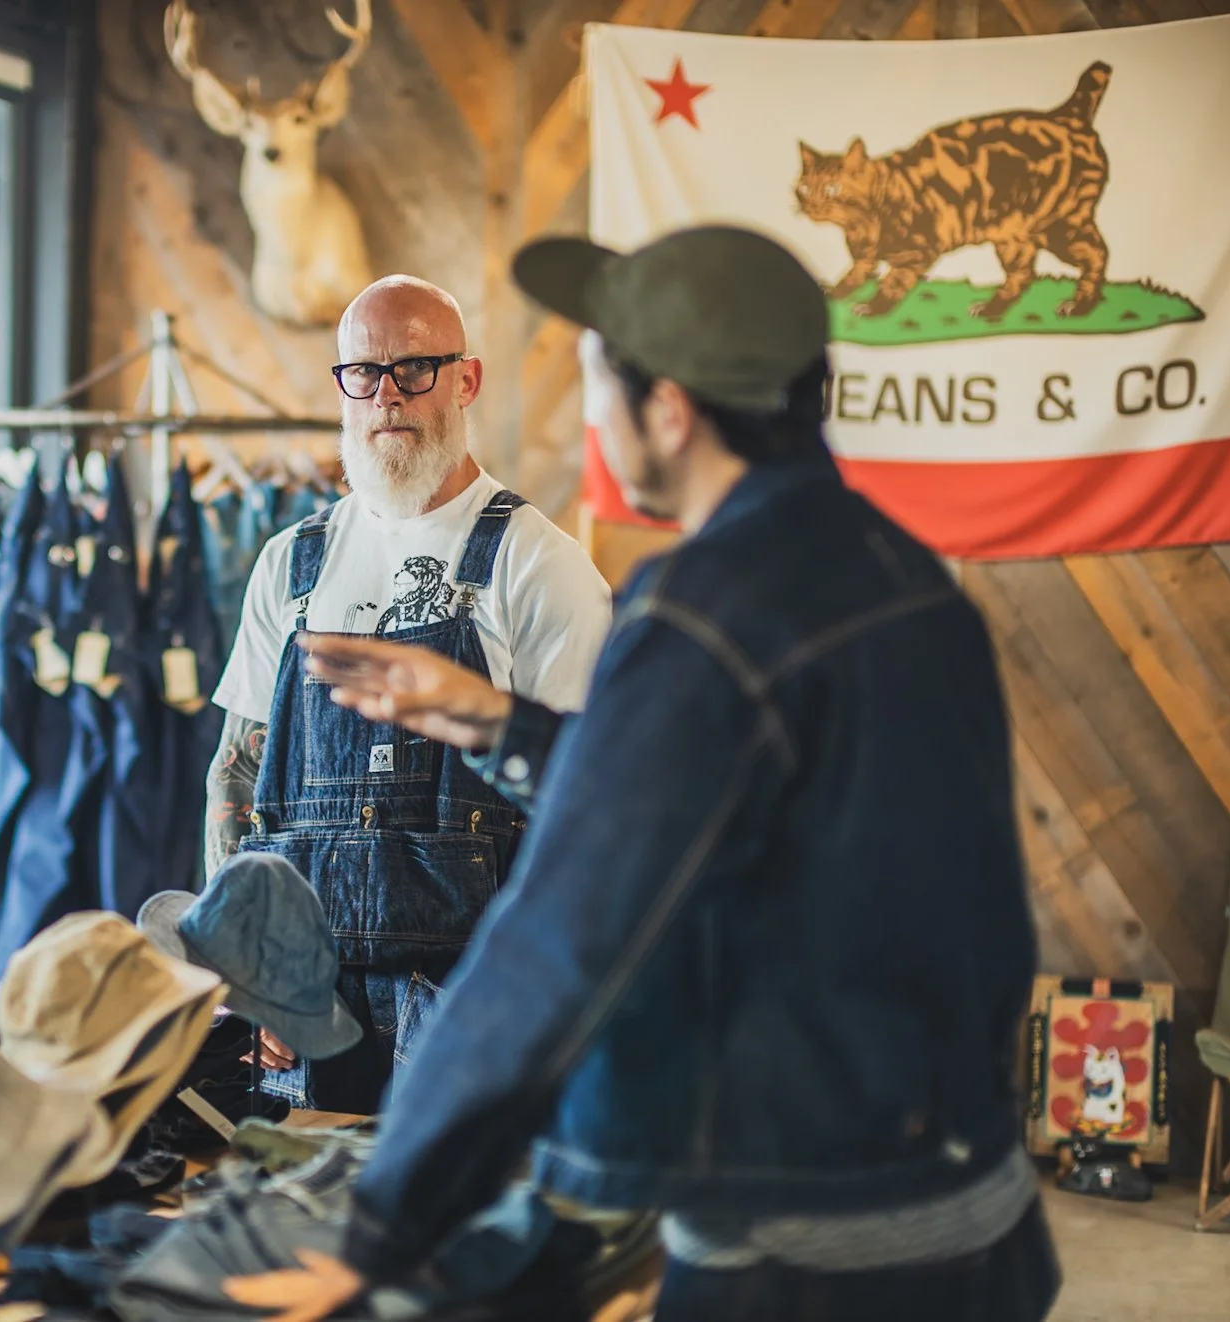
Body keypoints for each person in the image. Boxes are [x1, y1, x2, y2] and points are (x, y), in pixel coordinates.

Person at [228, 227, 1060, 1321]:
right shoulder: (902, 579)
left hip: (806, 1242)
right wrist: (507, 726)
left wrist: (386, 1216)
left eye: (595, 378)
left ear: (667, 409)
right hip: (971, 1200)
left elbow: (564, 933)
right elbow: (727, 805)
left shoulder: (696, 615)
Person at [206, 275, 612, 1114]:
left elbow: (587, 807)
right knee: (296, 1215)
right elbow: (236, 776)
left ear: (466, 381)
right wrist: (237, 960)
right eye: (364, 373)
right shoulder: (291, 563)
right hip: (307, 999)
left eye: (415, 369)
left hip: (477, 998)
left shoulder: (537, 565)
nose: (387, 395)